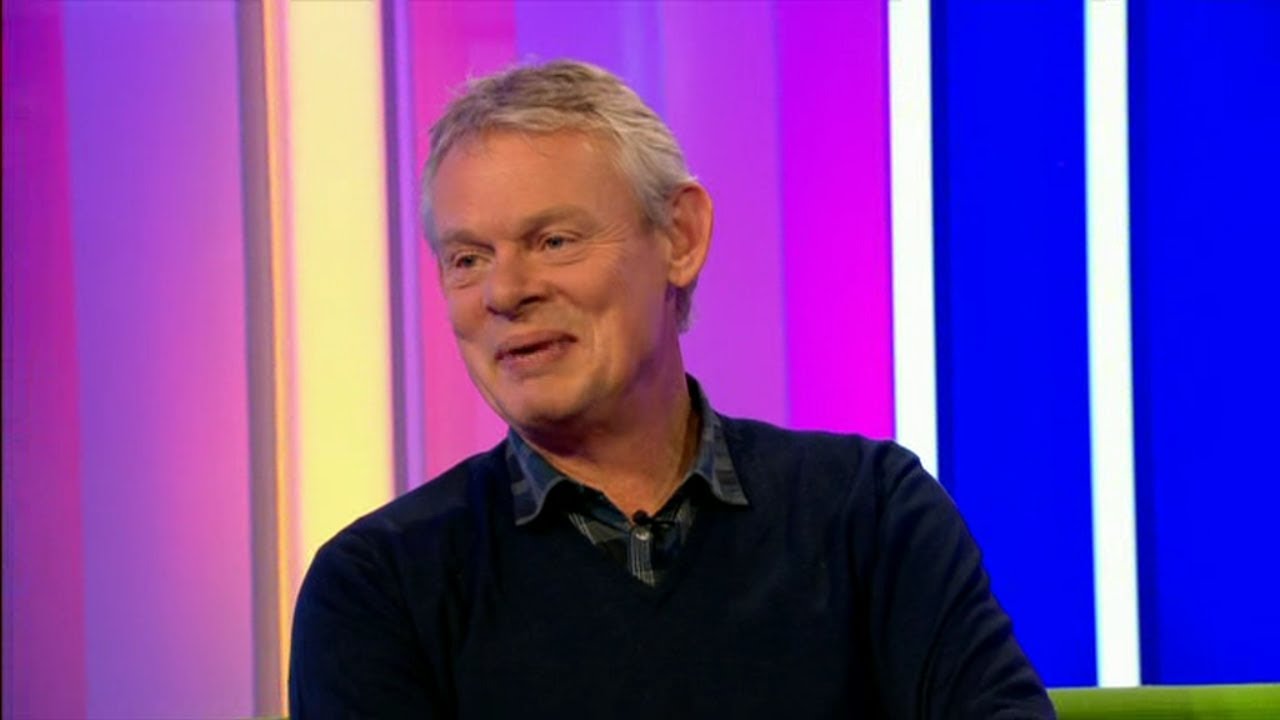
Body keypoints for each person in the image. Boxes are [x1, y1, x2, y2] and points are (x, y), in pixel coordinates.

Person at [289, 60, 1054, 719]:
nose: (505, 291)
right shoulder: (379, 587)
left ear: (680, 237)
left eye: (553, 240)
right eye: (467, 259)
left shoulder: (868, 509)